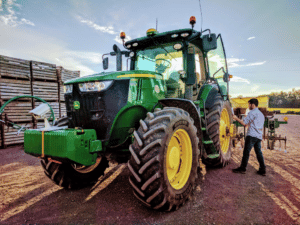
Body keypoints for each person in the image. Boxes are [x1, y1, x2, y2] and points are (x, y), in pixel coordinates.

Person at [232, 98, 266, 176]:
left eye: (249, 104)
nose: (248, 106)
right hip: (258, 136)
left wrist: (236, 118)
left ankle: (243, 168)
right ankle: (262, 169)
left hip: (251, 135)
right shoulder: (261, 114)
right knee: (258, 153)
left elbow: (244, 123)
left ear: (252, 104)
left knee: (246, 152)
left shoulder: (252, 112)